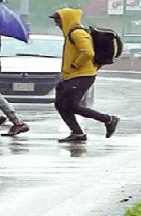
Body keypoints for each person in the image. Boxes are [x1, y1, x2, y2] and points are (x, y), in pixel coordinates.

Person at [50, 8, 119, 143]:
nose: (57, 24)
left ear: (66, 19)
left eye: (58, 20)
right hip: (71, 76)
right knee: (60, 104)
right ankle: (77, 133)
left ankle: (108, 119)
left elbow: (88, 52)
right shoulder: (71, 33)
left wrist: (75, 65)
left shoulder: (78, 33)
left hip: (82, 75)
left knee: (71, 105)